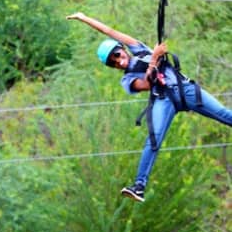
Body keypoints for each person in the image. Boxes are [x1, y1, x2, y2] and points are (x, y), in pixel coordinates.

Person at [66, 12, 232, 202]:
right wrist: (154, 59)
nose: (119, 61)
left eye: (117, 55)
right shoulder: (127, 79)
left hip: (184, 89)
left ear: (122, 49)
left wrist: (83, 18)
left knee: (224, 115)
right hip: (163, 99)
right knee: (153, 140)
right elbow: (146, 83)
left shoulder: (140, 50)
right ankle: (139, 186)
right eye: (113, 63)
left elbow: (109, 31)